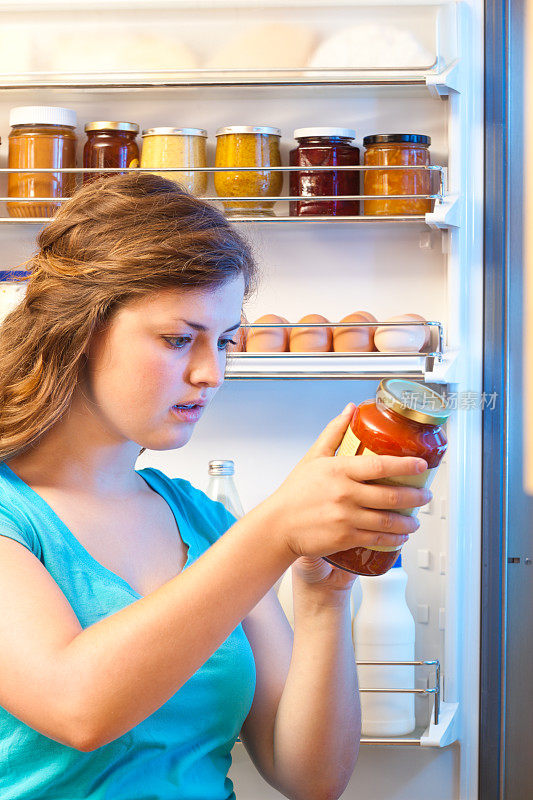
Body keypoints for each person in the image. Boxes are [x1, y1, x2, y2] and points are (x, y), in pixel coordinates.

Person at [0, 174, 430, 800]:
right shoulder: (13, 516)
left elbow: (310, 778)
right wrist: (275, 529)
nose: (212, 373)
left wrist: (323, 601)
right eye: (179, 340)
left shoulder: (200, 522)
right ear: (79, 333)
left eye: (225, 341)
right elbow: (79, 708)